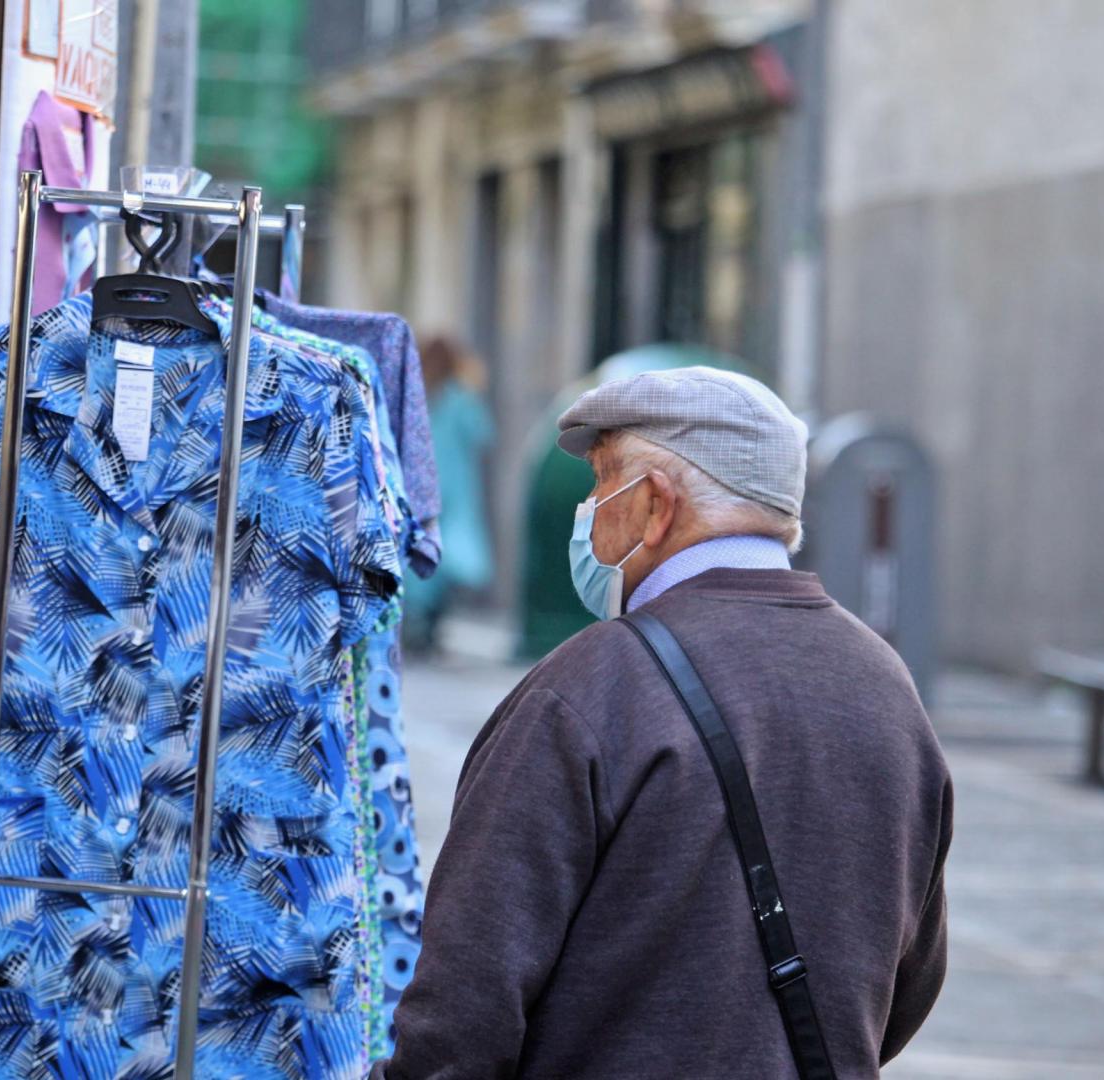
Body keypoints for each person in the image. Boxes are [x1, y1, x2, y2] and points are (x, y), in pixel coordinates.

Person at [374, 366, 952, 1079]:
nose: (588, 508)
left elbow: (463, 1006)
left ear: (654, 505)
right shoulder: (886, 686)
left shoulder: (588, 687)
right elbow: (910, 981)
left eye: (601, 478)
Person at [405, 336, 495, 653]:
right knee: (448, 555)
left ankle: (418, 622)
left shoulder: (414, 395)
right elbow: (483, 435)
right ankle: (430, 625)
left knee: (419, 552)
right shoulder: (461, 398)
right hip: (454, 489)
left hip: (418, 486)